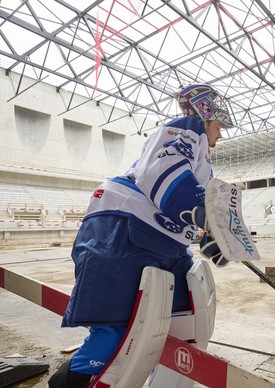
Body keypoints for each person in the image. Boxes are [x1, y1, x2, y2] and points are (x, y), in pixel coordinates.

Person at [48, 84, 233, 387]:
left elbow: (188, 203)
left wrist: (209, 234)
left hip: (153, 238)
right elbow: (162, 172)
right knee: (119, 330)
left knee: (182, 314)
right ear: (205, 115)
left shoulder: (201, 154)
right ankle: (70, 383)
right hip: (122, 228)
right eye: (218, 126)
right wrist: (200, 213)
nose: (221, 134)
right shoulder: (187, 128)